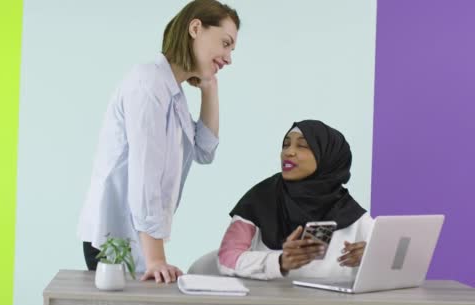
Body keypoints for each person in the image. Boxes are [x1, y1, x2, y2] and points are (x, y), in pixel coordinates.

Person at [78, 0, 240, 284]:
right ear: (196, 28)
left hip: (138, 239)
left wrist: (209, 88)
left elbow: (205, 150)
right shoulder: (149, 83)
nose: (228, 58)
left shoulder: (172, 94)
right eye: (225, 43)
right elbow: (145, 175)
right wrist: (156, 259)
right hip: (114, 239)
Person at [217, 120, 373, 280]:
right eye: (285, 145)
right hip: (270, 302)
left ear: (328, 156)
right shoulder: (260, 198)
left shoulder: (351, 212)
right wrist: (279, 262)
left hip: (336, 304)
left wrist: (372, 258)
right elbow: (227, 258)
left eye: (302, 146)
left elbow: (392, 263)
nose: (288, 152)